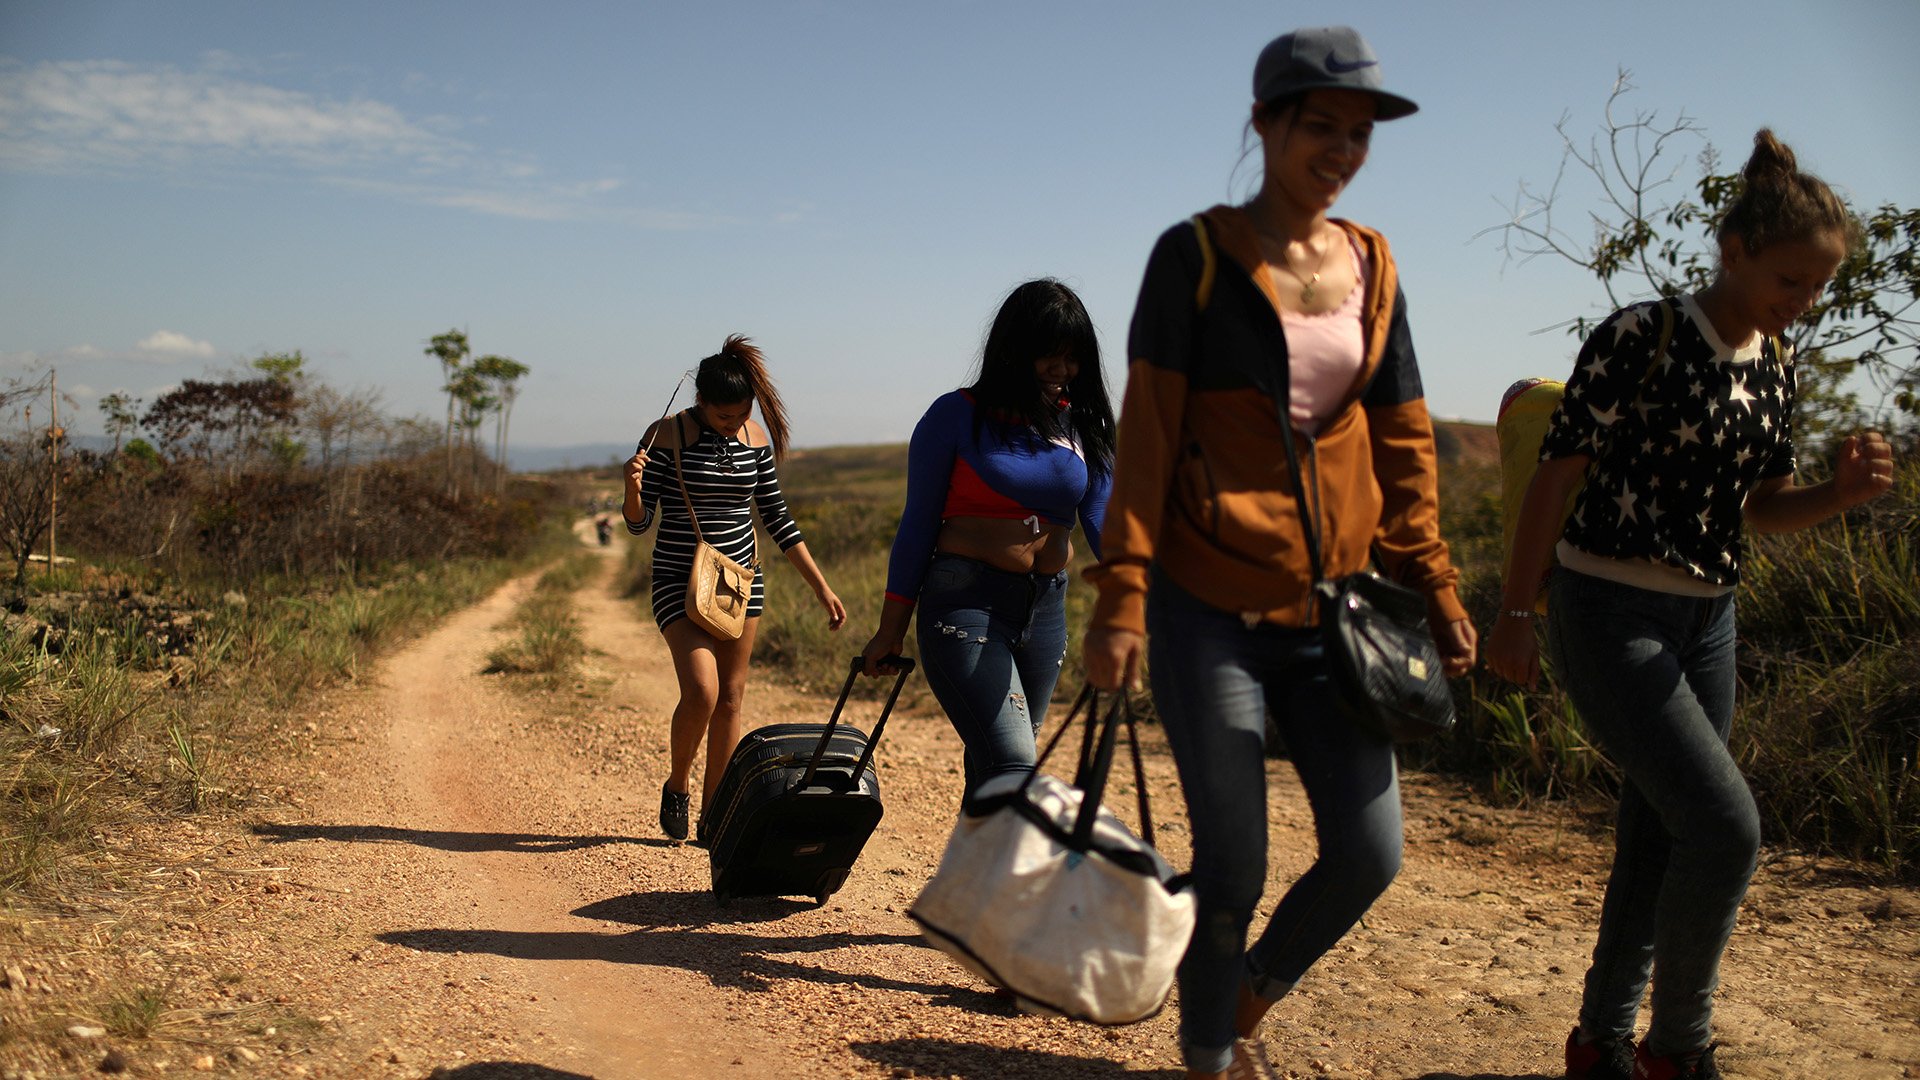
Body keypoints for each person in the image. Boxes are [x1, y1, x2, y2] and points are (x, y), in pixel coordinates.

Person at [1080, 27, 1476, 1079]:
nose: (1343, 150)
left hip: (1336, 613)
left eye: (1359, 133)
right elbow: (1152, 433)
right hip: (1206, 606)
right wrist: (1123, 596)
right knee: (1235, 865)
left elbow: (1403, 433)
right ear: (1264, 123)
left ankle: (1246, 995)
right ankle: (1207, 1058)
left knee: (1368, 852)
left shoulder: (1373, 265)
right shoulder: (1198, 257)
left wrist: (1431, 579)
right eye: (1321, 127)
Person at [1486, 131, 1897, 1080]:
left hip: (1710, 620)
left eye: (1817, 287)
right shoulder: (1642, 336)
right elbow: (1557, 479)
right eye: (1790, 281)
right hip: (1607, 612)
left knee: (1660, 830)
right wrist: (1517, 611)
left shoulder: (1778, 366)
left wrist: (1837, 497)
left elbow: (1762, 509)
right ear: (1736, 250)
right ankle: (1681, 1051)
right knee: (1724, 826)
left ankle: (1599, 1043)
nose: (1802, 303)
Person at [860, 279, 1115, 799]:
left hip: (1046, 610)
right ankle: (1004, 879)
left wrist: (1144, 599)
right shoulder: (956, 416)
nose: (1062, 370)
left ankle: (971, 881)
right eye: (1049, 356)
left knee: (996, 770)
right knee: (1013, 768)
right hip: (966, 603)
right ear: (1014, 350)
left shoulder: (1081, 424)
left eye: (1072, 358)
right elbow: (917, 527)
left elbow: (1102, 519)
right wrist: (891, 630)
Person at [623, 336, 847, 843]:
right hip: (677, 582)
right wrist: (633, 490)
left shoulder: (755, 438)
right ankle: (678, 785)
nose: (733, 423)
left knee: (731, 698)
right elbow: (640, 525)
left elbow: (777, 518)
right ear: (700, 400)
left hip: (738, 586)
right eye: (723, 415)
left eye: (740, 413)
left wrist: (821, 587)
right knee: (701, 692)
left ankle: (714, 815)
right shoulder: (667, 434)